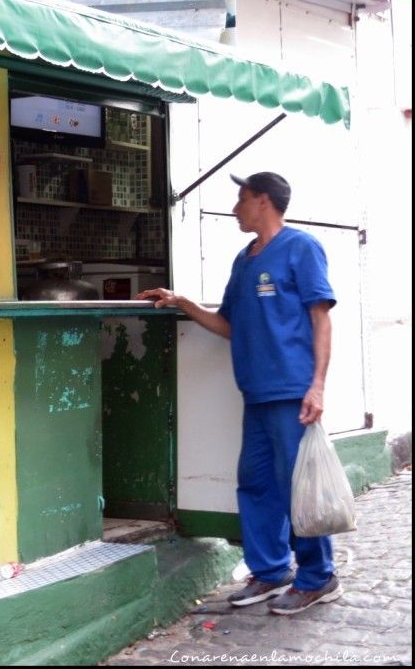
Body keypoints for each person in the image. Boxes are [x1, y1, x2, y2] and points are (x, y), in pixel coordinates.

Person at [137, 171, 341, 616]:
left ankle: (318, 576)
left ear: (264, 201)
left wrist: (318, 385)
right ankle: (270, 571)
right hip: (255, 392)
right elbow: (227, 325)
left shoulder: (301, 248)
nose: (235, 208)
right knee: (256, 484)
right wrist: (184, 303)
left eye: (241, 199)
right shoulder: (244, 259)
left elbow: (321, 318)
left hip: (293, 391)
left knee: (297, 487)